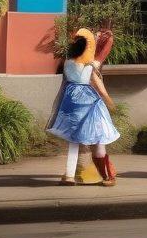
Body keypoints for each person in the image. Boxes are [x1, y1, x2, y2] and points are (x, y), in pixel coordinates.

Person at [48, 28, 121, 186]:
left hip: (70, 101)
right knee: (99, 138)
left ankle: (69, 176)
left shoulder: (67, 63)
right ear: (89, 47)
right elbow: (99, 85)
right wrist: (109, 101)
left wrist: (57, 106)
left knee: (74, 140)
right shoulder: (90, 65)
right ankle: (108, 177)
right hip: (89, 103)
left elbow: (63, 86)